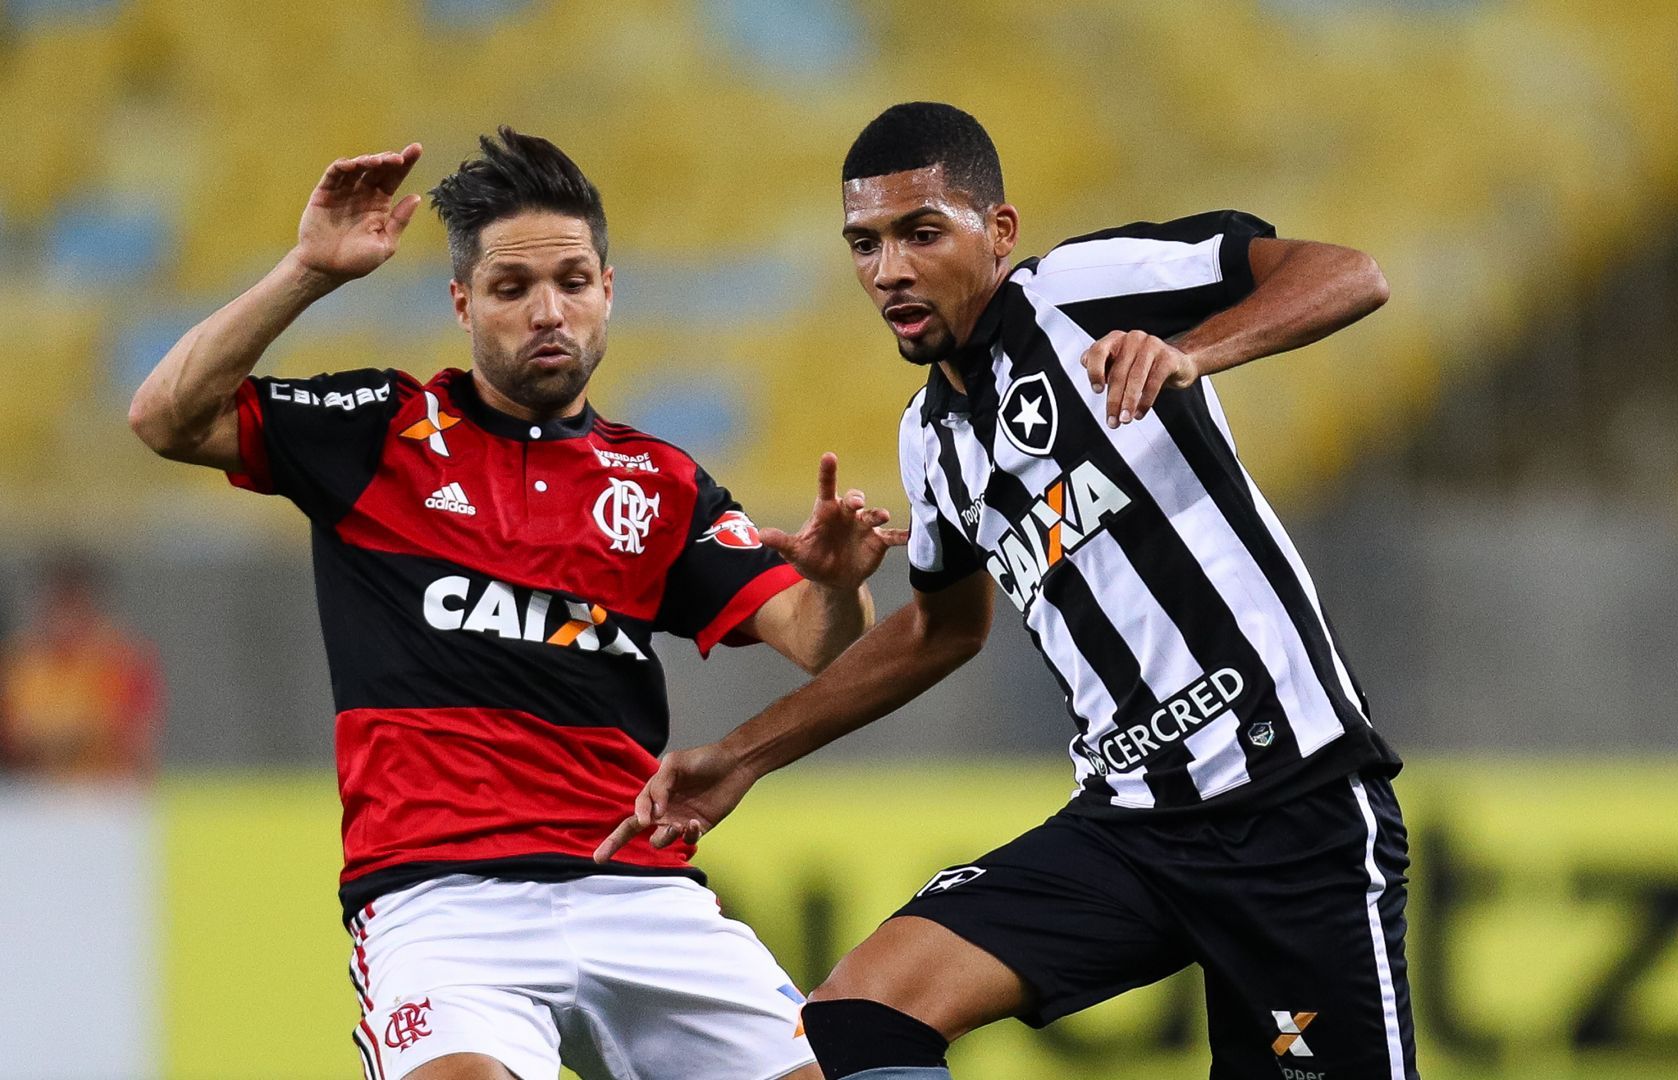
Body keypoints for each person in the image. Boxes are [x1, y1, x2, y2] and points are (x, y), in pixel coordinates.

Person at [599, 102, 1415, 1079]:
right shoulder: (929, 440)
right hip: (1130, 825)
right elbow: (941, 631)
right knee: (861, 1011)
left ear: (1000, 231)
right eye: (865, 243)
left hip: (1291, 803)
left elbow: (1349, 273)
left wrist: (1194, 351)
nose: (889, 270)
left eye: (920, 232)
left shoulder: (1077, 291)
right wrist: (741, 756)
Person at [129, 128, 904, 1080]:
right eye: (512, 288)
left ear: (607, 290)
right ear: (463, 302)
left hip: (637, 889)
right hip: (441, 898)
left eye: (573, 283)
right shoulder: (380, 432)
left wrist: (836, 581)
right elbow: (164, 417)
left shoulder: (661, 483)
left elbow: (822, 644)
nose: (548, 312)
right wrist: (309, 271)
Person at [0, 553, 163, 782]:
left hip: (104, 789)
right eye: (55, 606)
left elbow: (126, 734)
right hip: (29, 791)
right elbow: (13, 736)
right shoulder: (19, 661)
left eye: (72, 606)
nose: (64, 619)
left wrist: (60, 739)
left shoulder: (118, 659)